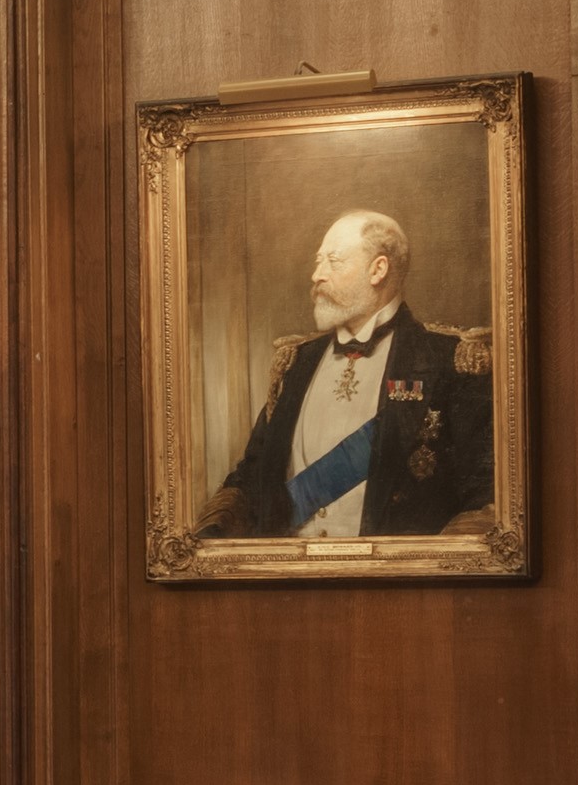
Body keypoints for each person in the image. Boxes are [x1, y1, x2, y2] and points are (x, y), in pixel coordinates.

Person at [211, 207, 493, 542]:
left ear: (378, 270)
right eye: (318, 261)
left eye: (334, 261)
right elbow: (252, 478)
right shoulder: (295, 363)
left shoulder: (451, 361)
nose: (317, 275)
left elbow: (483, 494)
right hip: (287, 579)